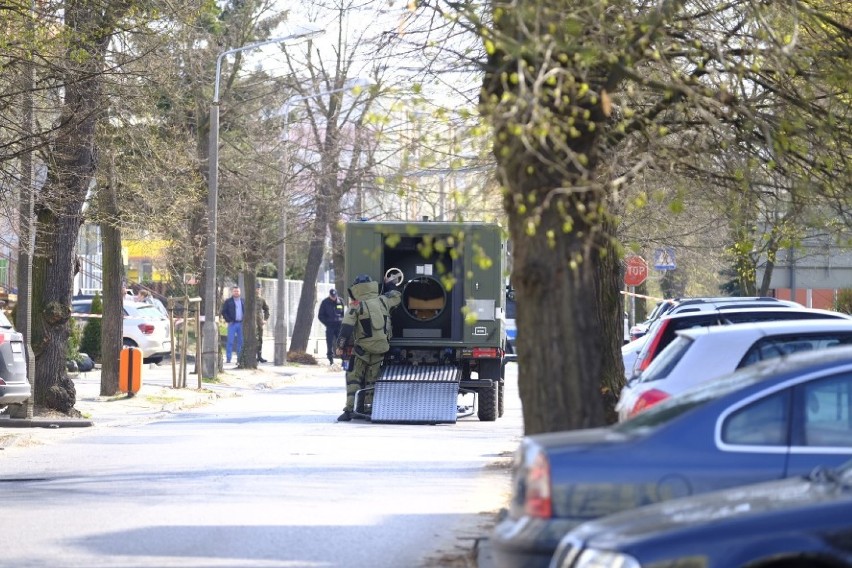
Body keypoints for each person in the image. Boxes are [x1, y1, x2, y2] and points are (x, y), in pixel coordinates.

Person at [334, 274, 401, 422]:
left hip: (362, 349)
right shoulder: (383, 300)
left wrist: (340, 346)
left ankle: (349, 411)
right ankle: (369, 409)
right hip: (381, 348)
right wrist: (389, 285)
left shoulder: (356, 305)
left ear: (356, 289)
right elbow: (397, 296)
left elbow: (346, 327)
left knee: (354, 378)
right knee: (373, 379)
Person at [318, 288, 345, 365]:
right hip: (330, 326)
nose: (334, 298)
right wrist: (327, 323)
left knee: (341, 343)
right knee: (329, 343)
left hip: (339, 326)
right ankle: (331, 359)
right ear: (330, 295)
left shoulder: (340, 301)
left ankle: (343, 358)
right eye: (332, 296)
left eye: (335, 296)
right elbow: (320, 316)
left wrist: (342, 321)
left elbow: (343, 313)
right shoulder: (325, 303)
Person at [220, 286, 245, 365]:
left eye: (237, 291)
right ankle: (228, 358)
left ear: (240, 292)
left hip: (241, 324)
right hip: (232, 324)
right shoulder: (228, 301)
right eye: (235, 291)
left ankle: (239, 359)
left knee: (240, 342)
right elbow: (224, 312)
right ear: (232, 292)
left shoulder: (243, 301)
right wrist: (228, 320)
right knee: (230, 341)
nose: (236, 293)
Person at [255, 284, 270, 363]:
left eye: (258, 289)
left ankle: (259, 356)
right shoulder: (250, 299)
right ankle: (251, 356)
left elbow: (266, 310)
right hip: (251, 323)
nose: (257, 290)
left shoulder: (262, 300)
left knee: (260, 339)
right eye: (256, 289)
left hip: (259, 322)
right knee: (251, 339)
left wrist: (265, 319)